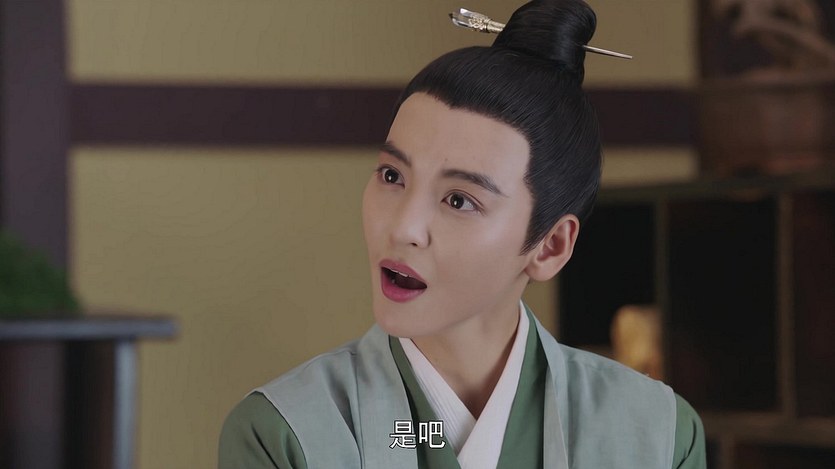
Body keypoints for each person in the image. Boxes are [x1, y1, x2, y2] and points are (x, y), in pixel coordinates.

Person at [218, 1, 706, 467]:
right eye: (392, 176)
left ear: (550, 246)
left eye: (459, 200)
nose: (404, 228)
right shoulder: (287, 434)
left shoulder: (657, 434)